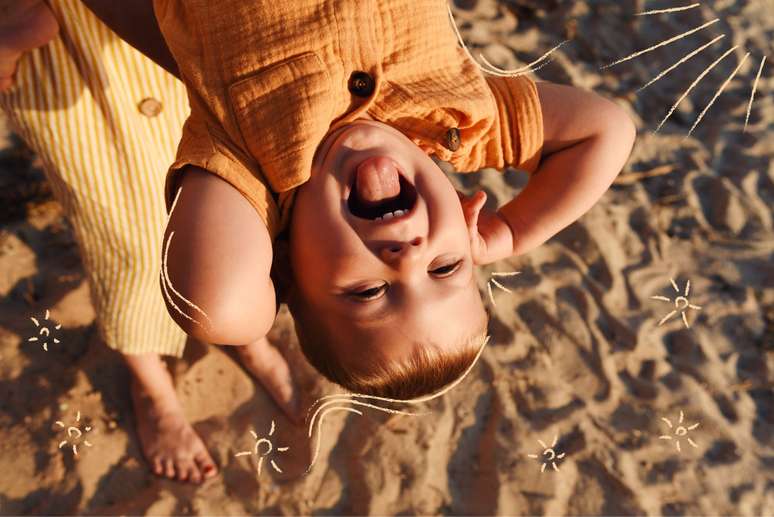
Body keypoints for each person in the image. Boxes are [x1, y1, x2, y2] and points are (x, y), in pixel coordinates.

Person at [151, 0, 637, 399]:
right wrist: (506, 235)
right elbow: (605, 131)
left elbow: (214, 307)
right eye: (445, 268)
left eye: (369, 292)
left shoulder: (250, 162)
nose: (406, 258)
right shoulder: (458, 118)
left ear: (285, 267)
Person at [0, 0, 301, 485]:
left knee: (224, 200)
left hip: (169, 34)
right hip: (62, 56)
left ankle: (247, 334)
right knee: (119, 239)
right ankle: (153, 388)